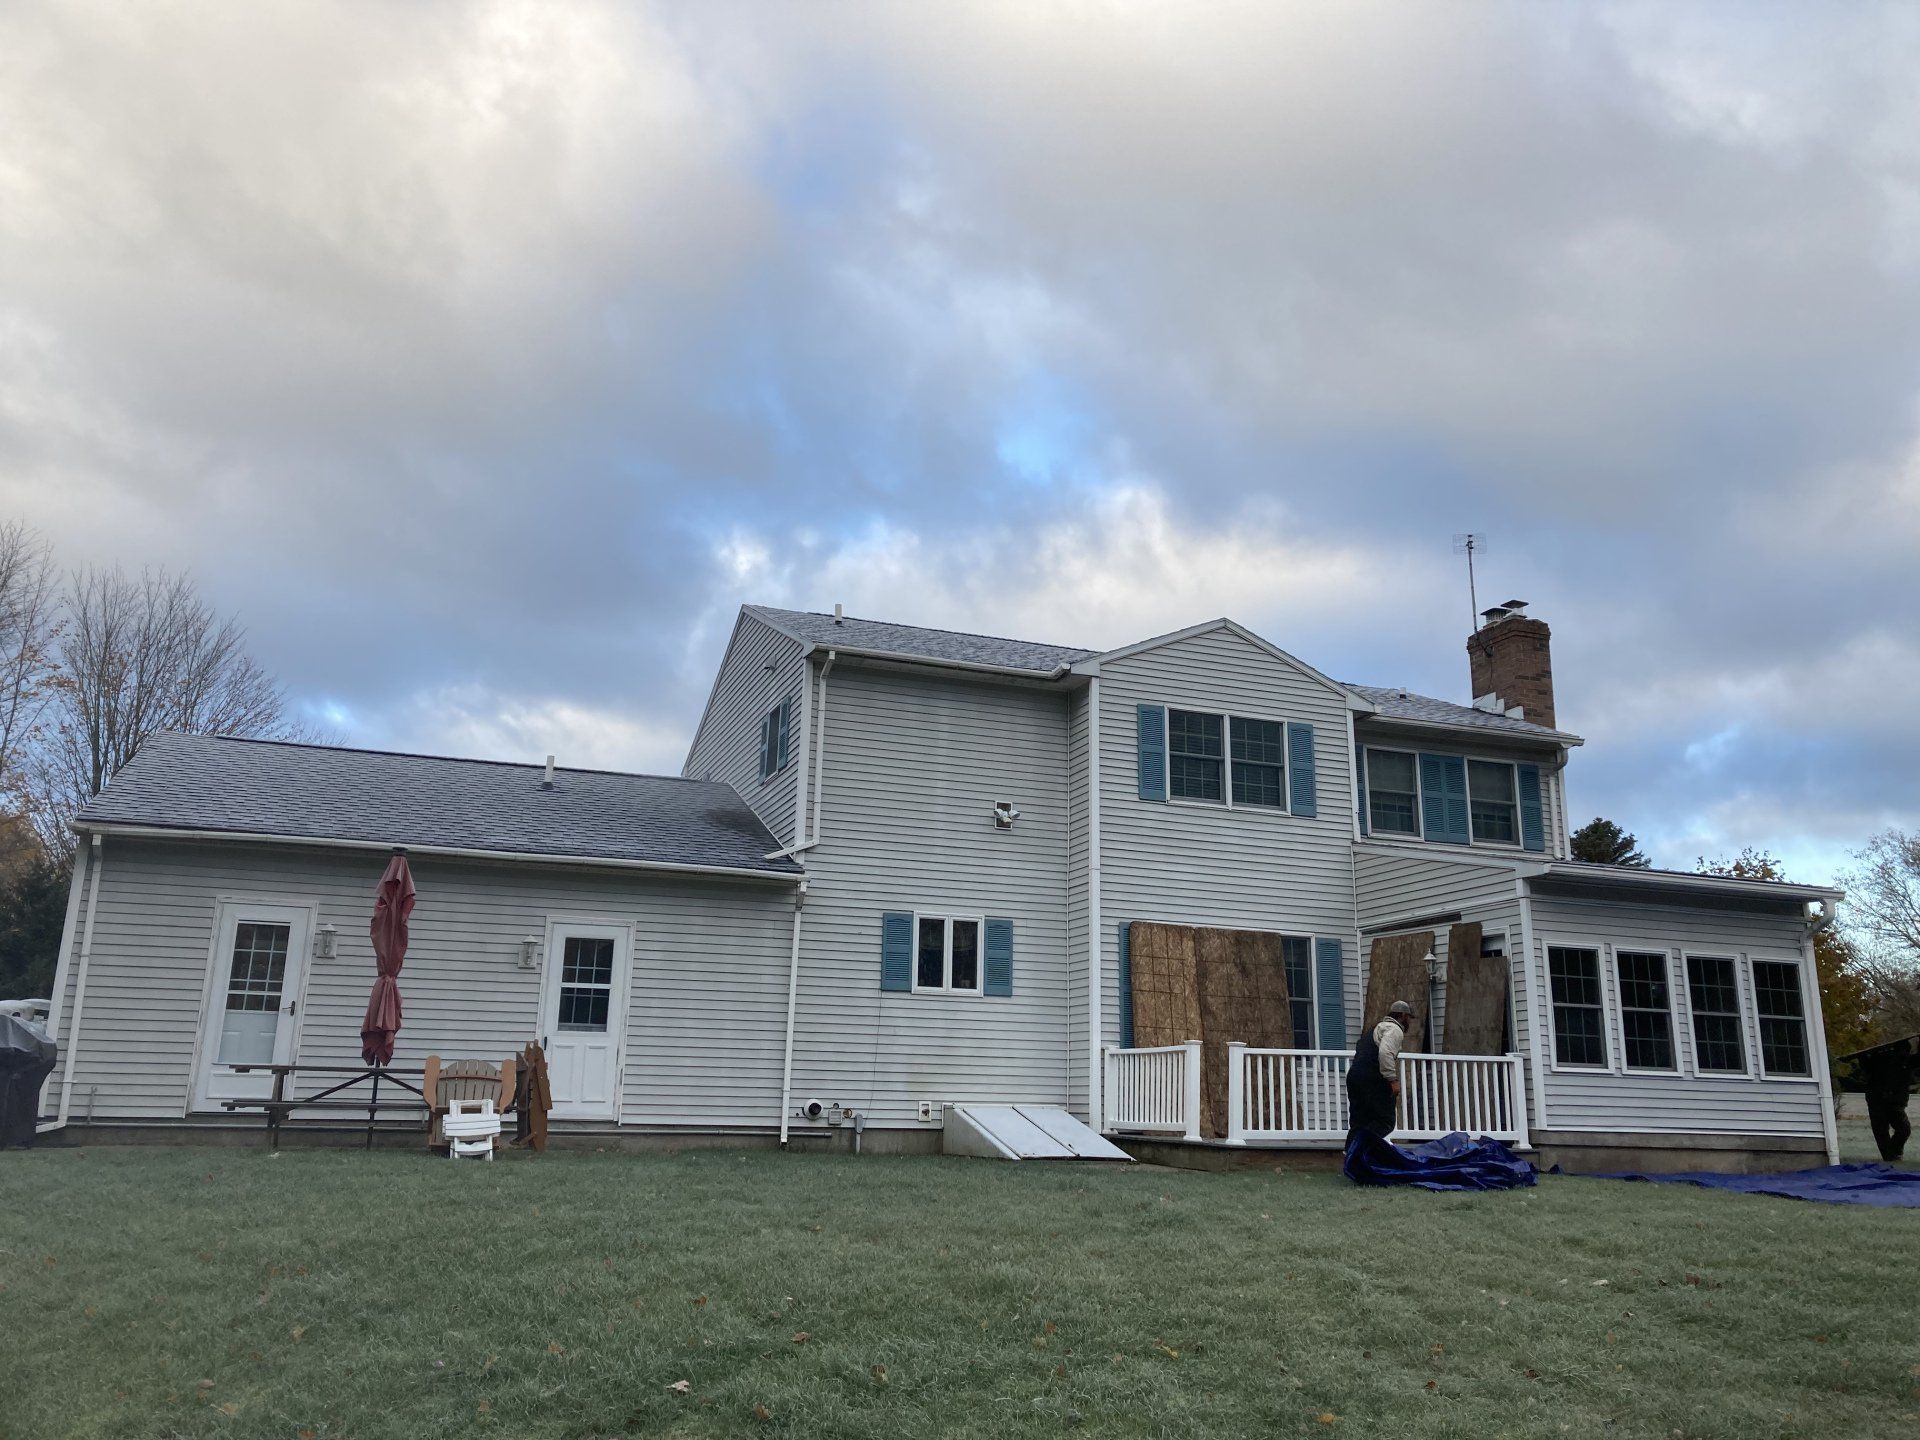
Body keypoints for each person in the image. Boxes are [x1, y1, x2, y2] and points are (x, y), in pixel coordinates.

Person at [1347, 999, 1413, 1143]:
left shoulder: (1375, 1029)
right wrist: (1392, 1080)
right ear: (1402, 1015)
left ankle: (1351, 1156)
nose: (1409, 1022)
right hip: (1372, 1078)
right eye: (1408, 1017)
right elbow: (1385, 1053)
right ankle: (1364, 1149)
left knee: (1359, 1120)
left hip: (1354, 1076)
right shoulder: (1394, 1029)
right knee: (1385, 1121)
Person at [1855, 1036, 1918, 1163]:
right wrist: (1861, 1052)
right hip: (1878, 1098)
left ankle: (1893, 1154)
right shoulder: (1882, 1058)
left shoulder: (1906, 1060)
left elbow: (1865, 1064)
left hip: (1893, 1100)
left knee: (1901, 1130)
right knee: (1883, 1131)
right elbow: (1867, 1066)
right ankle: (1890, 1157)